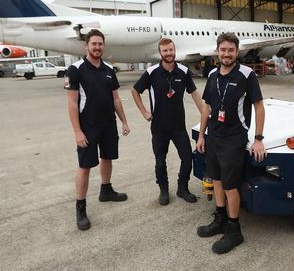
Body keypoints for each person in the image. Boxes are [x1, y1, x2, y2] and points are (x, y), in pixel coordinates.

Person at [195, 32, 266, 254]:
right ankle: (221, 218)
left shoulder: (247, 74)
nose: (227, 54)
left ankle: (235, 230)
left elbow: (259, 106)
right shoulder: (213, 73)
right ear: (217, 51)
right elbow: (207, 106)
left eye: (231, 50)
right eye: (223, 50)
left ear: (237, 52)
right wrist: (201, 134)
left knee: (230, 185)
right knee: (216, 179)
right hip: (214, 136)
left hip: (234, 138)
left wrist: (258, 139)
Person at [65, 29, 130, 231]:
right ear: (86, 46)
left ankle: (106, 190)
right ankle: (80, 207)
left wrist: (124, 121)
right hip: (88, 127)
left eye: (100, 44)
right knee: (85, 166)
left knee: (107, 158)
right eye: (93, 44)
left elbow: (116, 99)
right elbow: (72, 103)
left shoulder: (109, 69)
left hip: (108, 124)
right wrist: (77, 131)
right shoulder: (75, 69)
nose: (97, 47)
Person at [131, 38, 203, 205]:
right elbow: (135, 91)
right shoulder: (152, 72)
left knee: (187, 158)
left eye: (171, 50)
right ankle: (163, 190)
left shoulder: (184, 71)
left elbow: (195, 94)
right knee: (160, 161)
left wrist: (205, 115)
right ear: (160, 53)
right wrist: (144, 112)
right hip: (159, 127)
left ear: (174, 50)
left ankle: (182, 188)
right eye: (165, 51)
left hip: (178, 126)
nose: (169, 53)